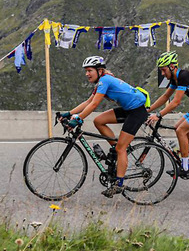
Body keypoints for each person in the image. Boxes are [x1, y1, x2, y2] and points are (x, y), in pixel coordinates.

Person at [60, 56, 148, 198]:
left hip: (137, 111)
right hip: (128, 109)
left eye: (89, 71)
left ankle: (119, 184)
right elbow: (89, 102)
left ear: (99, 71)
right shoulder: (103, 80)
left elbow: (94, 105)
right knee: (99, 120)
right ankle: (115, 147)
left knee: (121, 148)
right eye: (86, 71)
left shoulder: (105, 80)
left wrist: (78, 119)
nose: (87, 74)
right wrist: (69, 113)